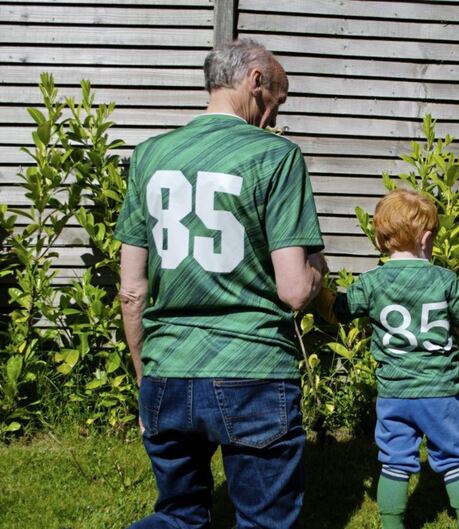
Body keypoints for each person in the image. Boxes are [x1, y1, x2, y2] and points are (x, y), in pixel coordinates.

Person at [116, 39, 325, 529]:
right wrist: (318, 271)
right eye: (277, 100)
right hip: (252, 369)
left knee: (178, 516)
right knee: (264, 522)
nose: (274, 116)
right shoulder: (276, 156)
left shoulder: (148, 157)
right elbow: (294, 290)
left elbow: (131, 289)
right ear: (255, 82)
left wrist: (145, 376)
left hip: (168, 367)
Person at [313, 189, 459, 529]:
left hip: (395, 394)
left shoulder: (371, 283)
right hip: (440, 393)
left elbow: (336, 311)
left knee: (395, 463)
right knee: (456, 460)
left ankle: (391, 525)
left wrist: (318, 285)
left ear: (380, 239)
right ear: (427, 237)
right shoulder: (444, 280)